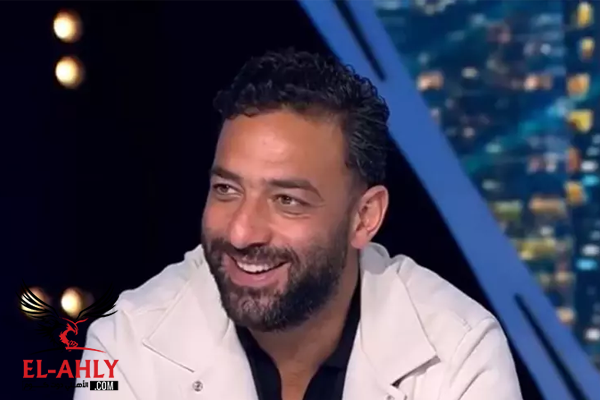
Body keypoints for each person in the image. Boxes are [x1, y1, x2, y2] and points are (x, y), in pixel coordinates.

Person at [75, 49, 523, 400]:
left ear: (365, 217)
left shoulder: (460, 350)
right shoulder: (124, 340)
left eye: (287, 200)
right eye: (226, 190)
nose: (241, 233)